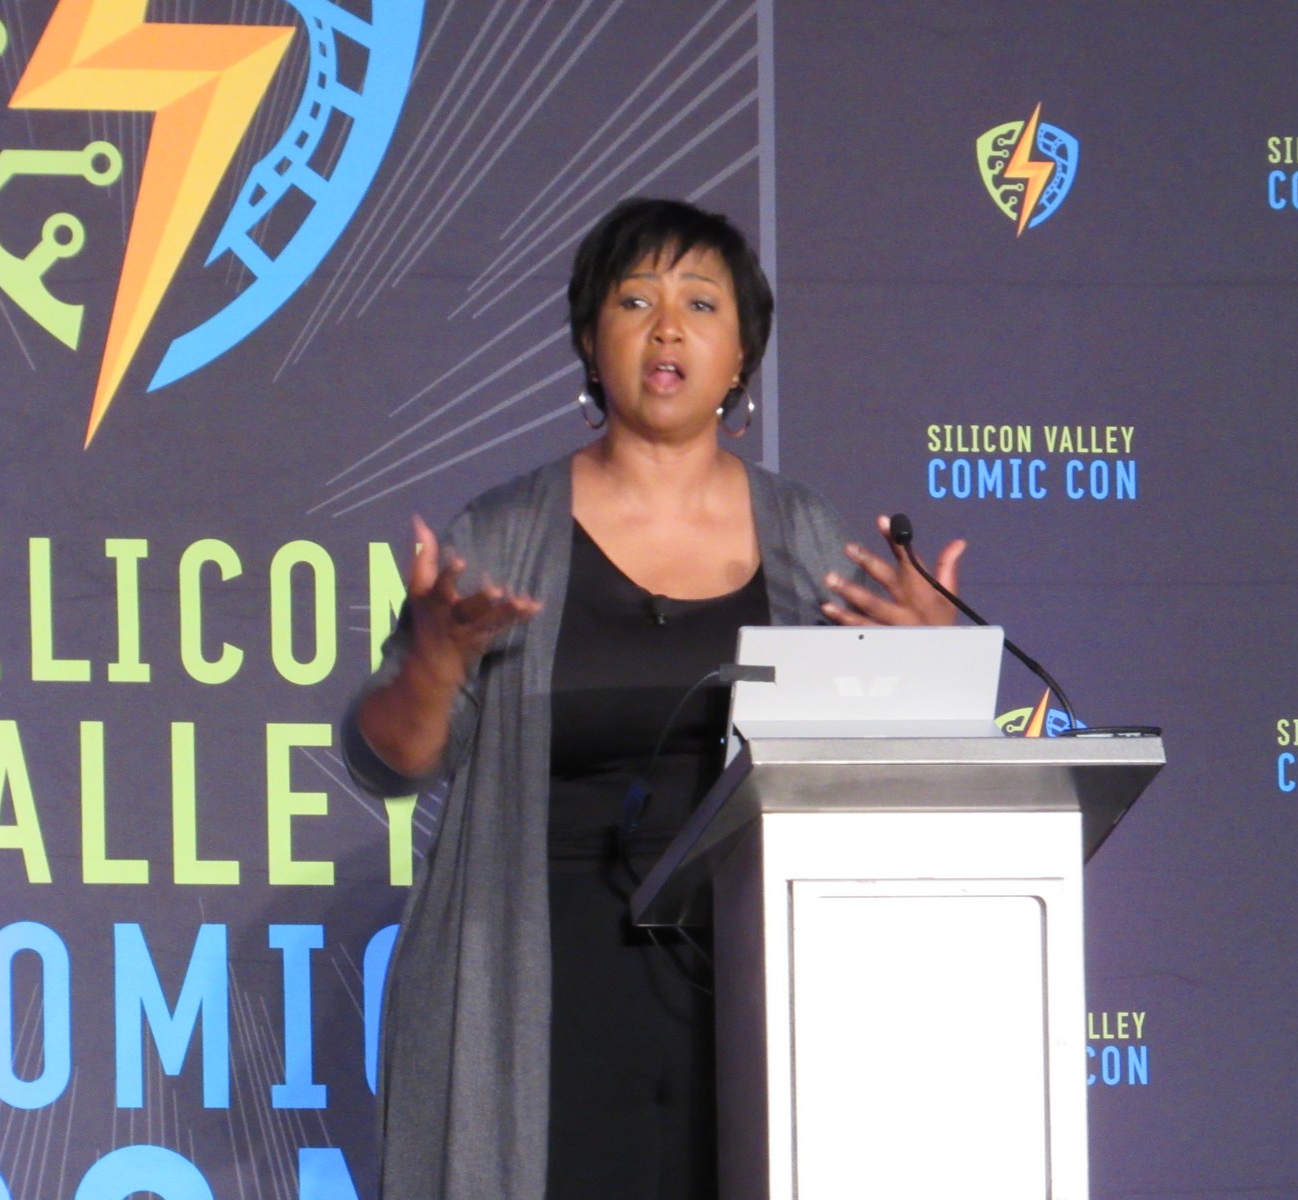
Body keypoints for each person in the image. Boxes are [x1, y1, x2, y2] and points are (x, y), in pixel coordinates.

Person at [344, 197, 964, 1200]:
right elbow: (390, 759)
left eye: (700, 304)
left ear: (742, 355)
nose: (667, 328)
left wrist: (929, 667)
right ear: (591, 344)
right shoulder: (502, 535)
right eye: (635, 302)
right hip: (539, 984)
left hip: (753, 982)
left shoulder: (807, 537)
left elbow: (884, 777)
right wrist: (432, 663)